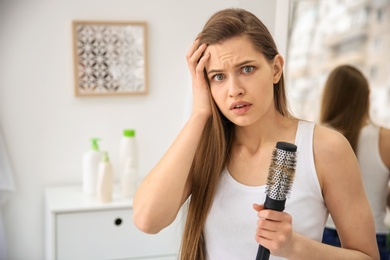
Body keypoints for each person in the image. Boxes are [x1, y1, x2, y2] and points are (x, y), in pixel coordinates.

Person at [133, 8, 379, 260]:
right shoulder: (204, 151)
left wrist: (295, 247)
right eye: (218, 77)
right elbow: (147, 220)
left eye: (247, 69)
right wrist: (199, 115)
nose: (234, 90)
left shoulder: (325, 148)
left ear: (275, 69)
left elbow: (368, 257)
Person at [319, 64, 390, 259]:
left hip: (323, 239)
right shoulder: (385, 140)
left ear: (329, 97)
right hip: (374, 239)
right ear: (366, 96)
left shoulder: (317, 138)